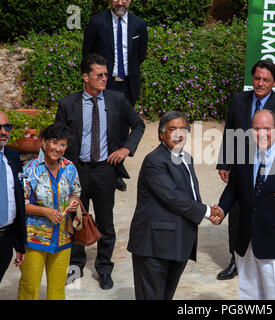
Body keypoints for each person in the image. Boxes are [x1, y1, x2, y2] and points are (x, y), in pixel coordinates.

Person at [55, 53, 145, 290]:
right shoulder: (67, 104)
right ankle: (75, 266)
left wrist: (126, 148)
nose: (105, 78)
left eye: (106, 74)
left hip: (106, 171)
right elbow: (58, 139)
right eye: (99, 75)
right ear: (86, 77)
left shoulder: (117, 100)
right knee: (75, 220)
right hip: (77, 172)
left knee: (106, 222)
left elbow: (138, 124)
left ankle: (104, 268)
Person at [217, 109, 275, 299]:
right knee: (248, 295)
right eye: (256, 129)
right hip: (246, 243)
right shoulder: (242, 156)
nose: (262, 134)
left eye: (267, 129)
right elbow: (232, 190)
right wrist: (221, 209)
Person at [127, 111, 223, 300]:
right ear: (162, 134)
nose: (179, 134)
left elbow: (191, 195)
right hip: (154, 246)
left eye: (183, 129)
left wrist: (208, 212)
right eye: (173, 129)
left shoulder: (186, 158)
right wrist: (206, 211)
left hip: (176, 242)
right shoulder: (155, 160)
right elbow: (174, 198)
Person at [215, 59, 275, 280]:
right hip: (241, 167)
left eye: (266, 80)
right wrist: (224, 163)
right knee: (238, 212)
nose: (260, 83)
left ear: (274, 82)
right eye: (257, 78)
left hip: (269, 170)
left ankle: (263, 259)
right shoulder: (239, 100)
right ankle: (236, 260)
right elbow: (230, 131)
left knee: (265, 213)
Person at [83, 0, 148, 192]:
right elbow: (87, 53)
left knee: (122, 129)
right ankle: (100, 168)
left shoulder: (139, 24)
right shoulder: (96, 22)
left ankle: (116, 171)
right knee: (102, 125)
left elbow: (141, 54)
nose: (120, 2)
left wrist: (128, 71)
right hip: (104, 83)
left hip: (128, 84)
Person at [18, 123, 81, 300]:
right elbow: (21, 203)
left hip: (62, 238)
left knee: (58, 290)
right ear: (44, 143)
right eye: (54, 143)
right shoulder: (30, 169)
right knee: (29, 288)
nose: (58, 148)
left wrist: (73, 202)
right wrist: (45, 212)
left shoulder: (69, 167)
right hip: (34, 239)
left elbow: (76, 192)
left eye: (63, 144)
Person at [0, 111, 26, 283]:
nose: (3, 132)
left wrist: (19, 242)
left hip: (6, 238)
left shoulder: (13, 156)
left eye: (7, 127)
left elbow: (18, 199)